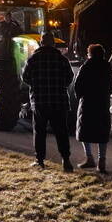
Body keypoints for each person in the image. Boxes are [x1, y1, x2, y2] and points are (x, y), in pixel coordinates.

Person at [22, 31, 75, 171]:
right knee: (61, 132)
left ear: (41, 42)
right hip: (59, 101)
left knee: (39, 132)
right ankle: (66, 160)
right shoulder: (62, 59)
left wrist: (36, 84)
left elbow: (25, 77)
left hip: (40, 101)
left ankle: (40, 160)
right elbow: (70, 78)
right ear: (53, 43)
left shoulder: (33, 59)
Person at [73, 44, 112, 172]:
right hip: (102, 103)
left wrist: (79, 96)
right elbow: (111, 87)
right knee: (102, 131)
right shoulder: (107, 67)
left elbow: (77, 86)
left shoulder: (86, 67)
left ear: (89, 54)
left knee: (84, 130)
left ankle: (89, 158)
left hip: (88, 103)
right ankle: (102, 161)